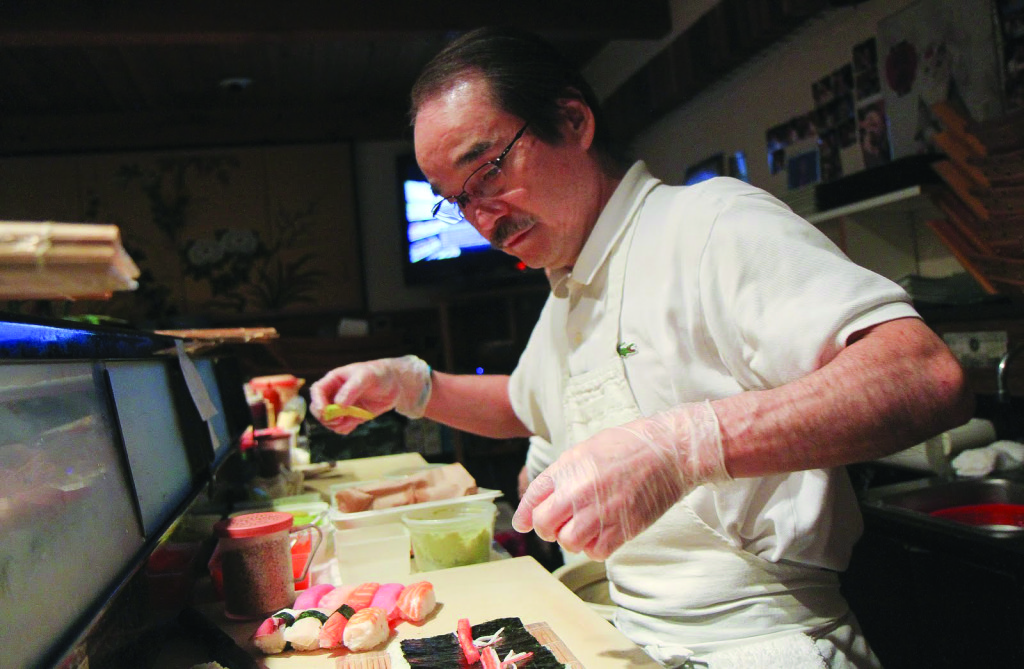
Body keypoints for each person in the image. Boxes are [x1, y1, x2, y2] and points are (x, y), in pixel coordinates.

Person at [310, 27, 972, 668]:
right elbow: (525, 403)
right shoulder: (571, 283)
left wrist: (684, 447)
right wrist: (415, 388)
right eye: (457, 201)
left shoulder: (708, 224)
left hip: (762, 638)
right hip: (634, 631)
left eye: (487, 170)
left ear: (572, 121)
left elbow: (922, 372)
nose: (483, 218)